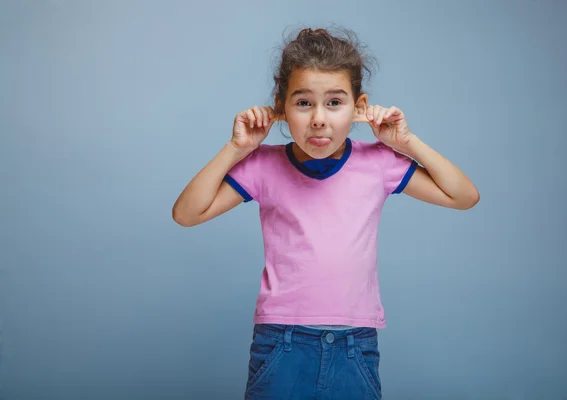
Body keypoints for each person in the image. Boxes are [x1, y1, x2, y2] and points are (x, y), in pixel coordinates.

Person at [172, 26, 479, 400]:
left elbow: (463, 196)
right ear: (281, 107)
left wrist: (406, 142)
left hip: (355, 346)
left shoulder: (379, 162)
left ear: (359, 107)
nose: (319, 118)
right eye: (303, 103)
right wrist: (235, 150)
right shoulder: (262, 165)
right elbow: (186, 214)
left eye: (334, 102)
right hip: (281, 344)